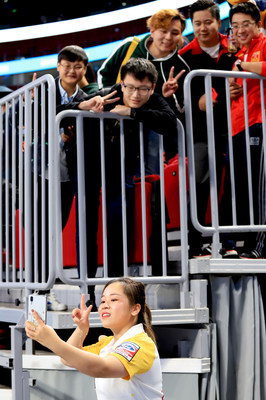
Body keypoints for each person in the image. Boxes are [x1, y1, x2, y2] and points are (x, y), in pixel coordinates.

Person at [72, 58, 177, 278]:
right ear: (122, 84)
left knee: (118, 223)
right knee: (87, 225)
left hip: (121, 169)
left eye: (142, 89)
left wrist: (131, 112)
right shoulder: (108, 94)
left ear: (152, 88)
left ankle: (116, 282)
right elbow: (61, 111)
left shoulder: (152, 99)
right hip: (88, 166)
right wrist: (82, 106)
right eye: (130, 88)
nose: (135, 95)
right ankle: (86, 283)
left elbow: (169, 120)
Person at [33, 45, 117, 310]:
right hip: (46, 173)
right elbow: (41, 116)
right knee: (47, 232)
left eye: (77, 66)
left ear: (84, 69)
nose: (71, 71)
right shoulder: (44, 91)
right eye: (66, 65)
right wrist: (77, 108)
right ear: (58, 66)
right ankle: (41, 293)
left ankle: (89, 293)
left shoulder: (91, 96)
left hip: (77, 173)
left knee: (85, 231)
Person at [164, 0, 237, 258]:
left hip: (236, 126)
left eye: (208, 22)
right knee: (200, 184)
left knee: (236, 183)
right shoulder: (184, 58)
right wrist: (198, 102)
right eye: (197, 23)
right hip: (200, 132)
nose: (203, 28)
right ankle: (194, 246)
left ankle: (231, 243)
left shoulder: (236, 48)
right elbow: (182, 101)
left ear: (219, 22)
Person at [25, 277, 164, 400]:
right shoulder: (107, 343)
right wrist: (81, 329)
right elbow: (67, 359)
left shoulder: (140, 343)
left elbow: (102, 368)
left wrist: (52, 342)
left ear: (135, 309)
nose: (105, 305)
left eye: (114, 300)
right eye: (103, 300)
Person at [97, 8, 190, 169]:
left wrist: (168, 96)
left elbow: (178, 112)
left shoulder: (182, 67)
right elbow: (104, 74)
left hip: (149, 138)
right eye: (163, 31)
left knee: (144, 180)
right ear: (152, 31)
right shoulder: (130, 46)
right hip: (112, 126)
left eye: (175, 32)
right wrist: (110, 105)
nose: (168, 37)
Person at [220, 2, 266, 258]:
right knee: (241, 187)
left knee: (259, 188)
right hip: (237, 128)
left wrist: (244, 69)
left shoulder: (262, 47)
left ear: (258, 25)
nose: (239, 30)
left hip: (260, 123)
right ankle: (236, 244)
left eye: (245, 24)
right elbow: (228, 92)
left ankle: (258, 247)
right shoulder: (238, 56)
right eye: (235, 26)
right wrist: (228, 90)